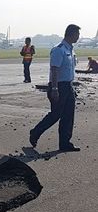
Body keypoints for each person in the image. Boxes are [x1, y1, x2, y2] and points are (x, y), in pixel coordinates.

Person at [29, 24, 81, 152]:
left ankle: (65, 143)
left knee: (68, 116)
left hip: (68, 86)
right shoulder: (59, 49)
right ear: (71, 34)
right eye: (77, 34)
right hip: (59, 86)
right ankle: (35, 132)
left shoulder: (70, 50)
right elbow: (54, 70)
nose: (78, 37)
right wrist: (54, 89)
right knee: (55, 115)